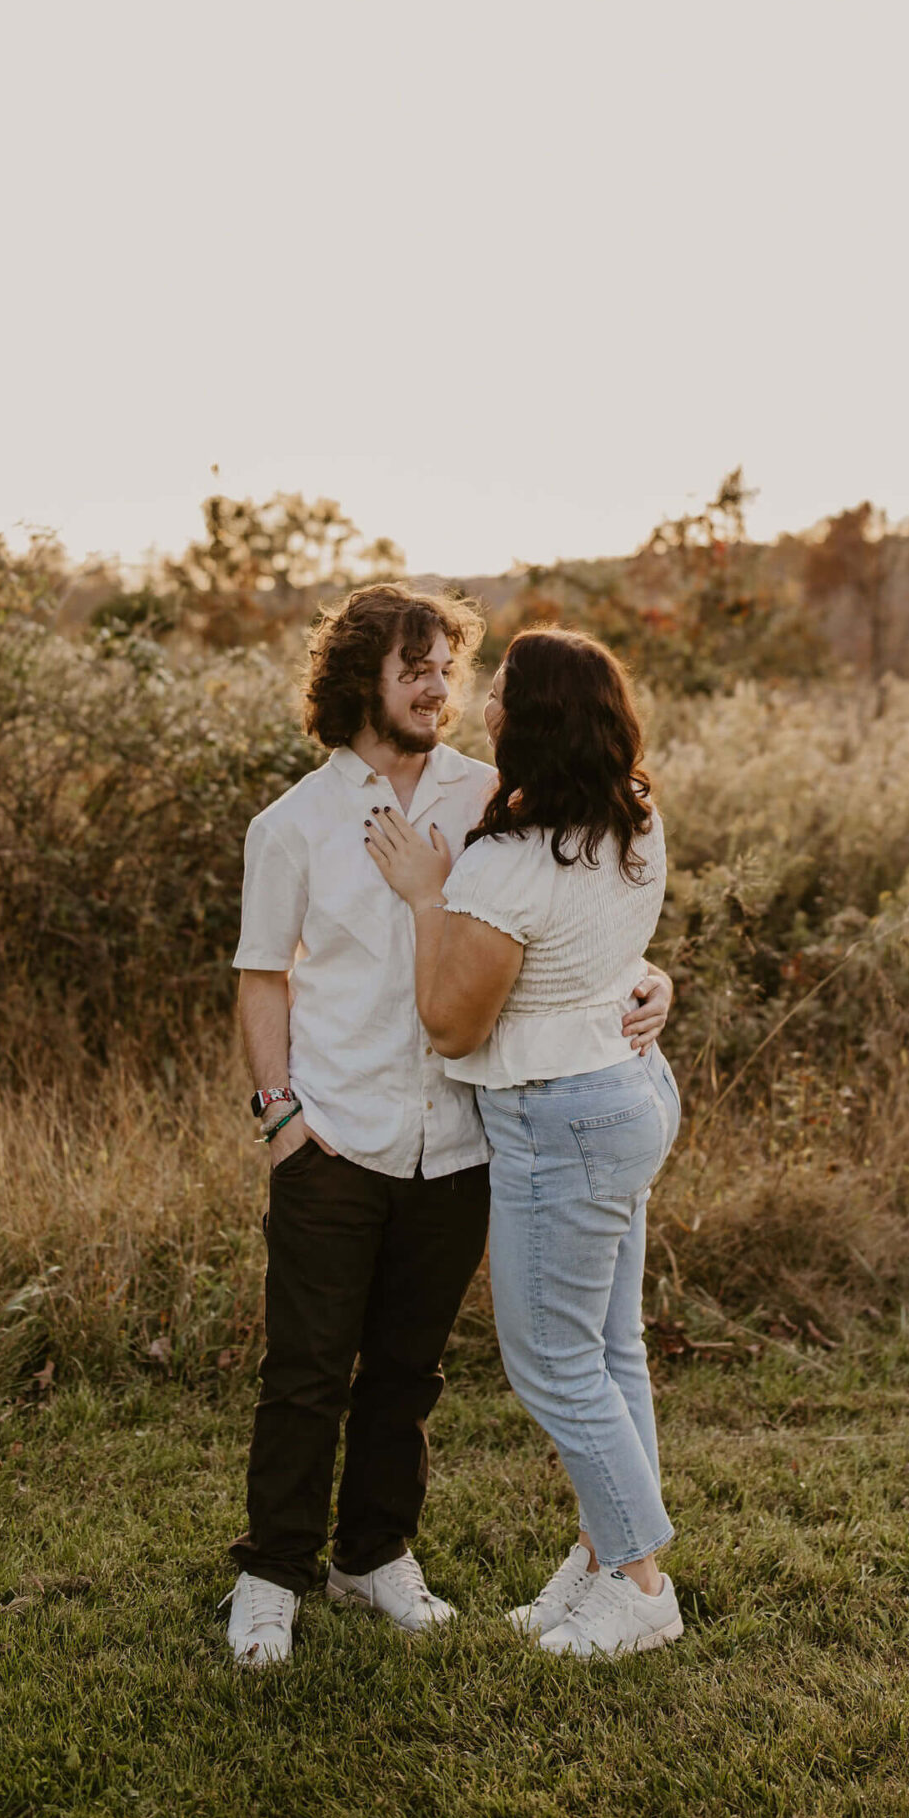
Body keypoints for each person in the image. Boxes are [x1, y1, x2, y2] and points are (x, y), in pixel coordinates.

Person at [223, 586, 672, 1670]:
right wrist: (280, 1115)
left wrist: (652, 980)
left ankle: (374, 1554)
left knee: (409, 1371)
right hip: (335, 1133)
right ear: (358, 682)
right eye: (412, 666)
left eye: (447, 667)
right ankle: (272, 1573)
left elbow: (578, 917)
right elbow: (260, 976)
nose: (438, 687)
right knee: (306, 1370)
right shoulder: (292, 825)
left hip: (466, 1138)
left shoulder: (495, 798)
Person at [365, 626, 684, 1661]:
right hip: (629, 1094)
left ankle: (641, 1586)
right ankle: (603, 1553)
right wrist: (654, 981)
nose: (483, 703)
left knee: (552, 1362)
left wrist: (426, 896)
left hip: (563, 1119)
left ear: (529, 719)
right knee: (610, 1348)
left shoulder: (506, 863)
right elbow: (608, 952)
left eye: (499, 690)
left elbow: (454, 1025)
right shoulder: (636, 818)